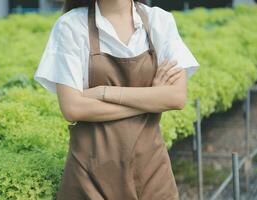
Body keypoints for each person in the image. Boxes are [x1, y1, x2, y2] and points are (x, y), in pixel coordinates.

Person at [34, 0, 200, 199]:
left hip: (152, 172)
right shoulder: (70, 26)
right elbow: (72, 108)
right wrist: (151, 98)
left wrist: (104, 92)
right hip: (89, 177)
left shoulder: (159, 21)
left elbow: (176, 97)